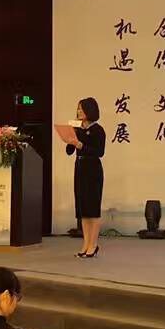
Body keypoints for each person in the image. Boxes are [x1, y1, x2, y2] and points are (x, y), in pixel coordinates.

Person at [66, 97, 105, 258]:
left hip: (93, 169)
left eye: (81, 109)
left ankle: (93, 244)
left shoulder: (98, 130)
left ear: (90, 110)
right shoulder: (77, 129)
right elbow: (69, 151)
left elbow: (100, 152)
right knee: (83, 210)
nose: (79, 112)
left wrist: (81, 145)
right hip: (80, 168)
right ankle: (85, 243)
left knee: (92, 208)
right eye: (78, 109)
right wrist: (70, 138)